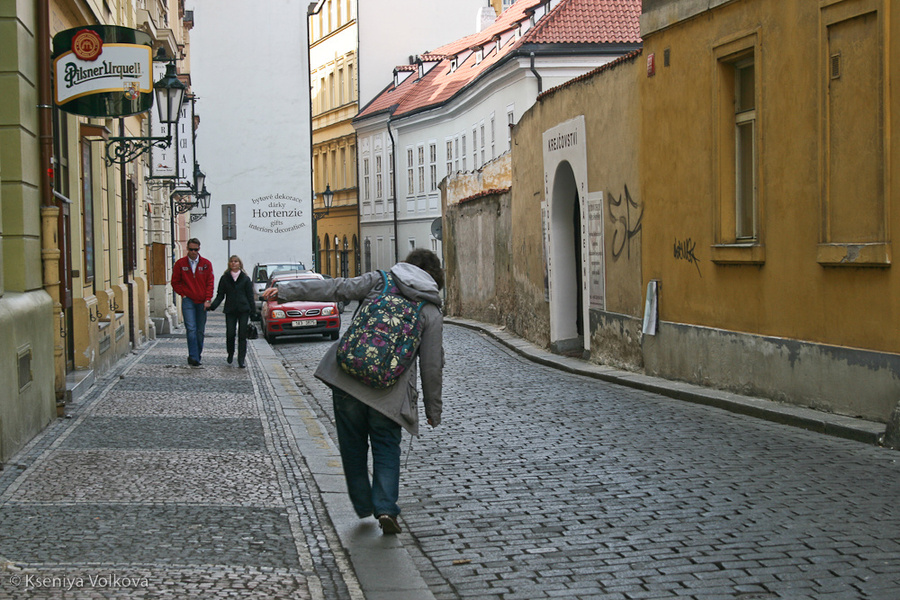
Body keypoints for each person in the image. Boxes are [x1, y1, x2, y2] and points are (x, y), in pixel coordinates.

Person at [262, 249, 444, 535]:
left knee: (352, 444)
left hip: (347, 379)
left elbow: (334, 287)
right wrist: (433, 410)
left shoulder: (379, 281)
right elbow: (432, 365)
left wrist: (284, 291)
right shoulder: (430, 310)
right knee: (386, 446)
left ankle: (362, 503)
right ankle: (385, 507)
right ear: (435, 279)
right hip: (388, 393)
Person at [171, 238, 214, 366]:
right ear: (187, 249)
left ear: (199, 249)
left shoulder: (206, 264)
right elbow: (175, 282)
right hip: (188, 300)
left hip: (202, 301)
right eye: (191, 249)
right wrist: (183, 294)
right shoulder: (180, 263)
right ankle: (193, 356)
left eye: (196, 250)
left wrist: (208, 299)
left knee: (200, 331)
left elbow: (210, 283)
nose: (193, 252)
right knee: (191, 329)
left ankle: (197, 355)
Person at [208, 255, 257, 368]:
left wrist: (253, 312)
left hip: (243, 309)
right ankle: (230, 353)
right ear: (229, 264)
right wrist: (212, 306)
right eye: (231, 261)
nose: (234, 263)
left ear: (240, 264)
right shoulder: (225, 278)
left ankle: (241, 359)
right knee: (230, 333)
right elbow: (220, 295)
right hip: (230, 309)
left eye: (236, 261)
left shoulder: (245, 278)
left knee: (242, 335)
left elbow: (250, 296)